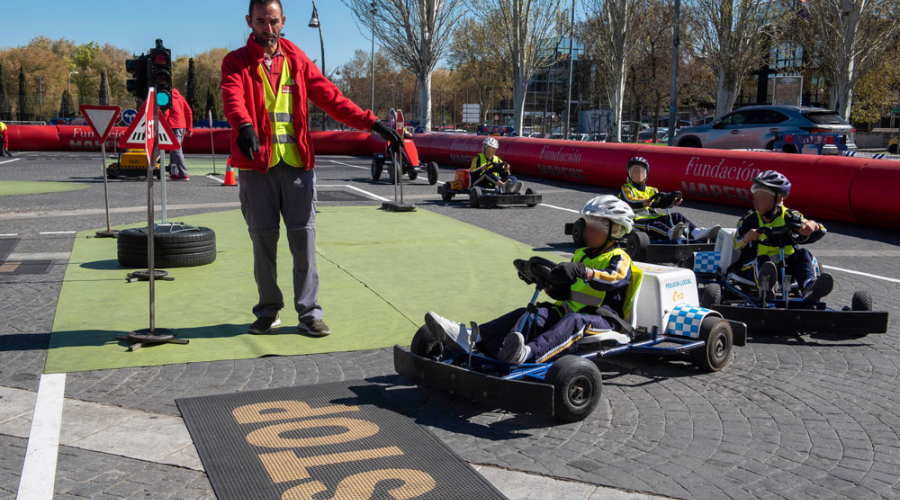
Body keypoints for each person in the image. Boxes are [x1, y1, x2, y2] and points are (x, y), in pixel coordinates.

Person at [221, 0, 401, 336]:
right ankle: (268, 310)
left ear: (283, 20)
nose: (267, 28)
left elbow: (332, 98)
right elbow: (233, 97)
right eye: (261, 21)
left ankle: (309, 314)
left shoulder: (297, 59)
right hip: (257, 167)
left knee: (303, 241)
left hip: (297, 166)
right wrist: (244, 125)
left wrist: (372, 123)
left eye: (273, 21)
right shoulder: (235, 62)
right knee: (263, 242)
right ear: (249, 21)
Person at [425, 195, 638, 367]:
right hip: (569, 310)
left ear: (615, 230)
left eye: (595, 228)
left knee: (573, 322)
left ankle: (527, 354)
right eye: (588, 227)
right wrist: (551, 285)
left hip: (603, 320)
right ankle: (473, 338)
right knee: (531, 313)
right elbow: (570, 291)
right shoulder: (582, 253)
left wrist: (584, 271)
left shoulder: (620, 258)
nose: (588, 233)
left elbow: (612, 279)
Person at [733, 170, 832, 303]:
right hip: (755, 267)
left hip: (786, 266)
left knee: (803, 254)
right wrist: (747, 237)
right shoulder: (748, 219)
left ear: (778, 199)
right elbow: (736, 243)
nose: (758, 199)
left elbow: (820, 229)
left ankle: (809, 288)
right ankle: (767, 289)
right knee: (763, 260)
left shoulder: (790, 216)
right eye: (756, 194)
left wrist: (812, 225)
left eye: (763, 196)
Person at [618, 157, 719, 242]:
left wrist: (672, 201)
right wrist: (643, 203)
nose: (638, 174)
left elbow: (661, 202)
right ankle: (671, 234)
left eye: (641, 171)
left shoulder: (652, 190)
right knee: (652, 224)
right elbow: (629, 201)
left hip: (653, 216)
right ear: (629, 174)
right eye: (635, 171)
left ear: (646, 174)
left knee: (677, 216)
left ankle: (696, 232)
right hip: (634, 219)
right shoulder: (627, 188)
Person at [163, 88, 193, 180]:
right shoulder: (180, 97)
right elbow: (189, 111)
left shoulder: (166, 97)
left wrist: (162, 125)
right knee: (174, 149)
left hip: (173, 126)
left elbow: (166, 113)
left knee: (176, 149)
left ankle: (183, 173)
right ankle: (174, 172)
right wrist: (189, 127)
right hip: (182, 126)